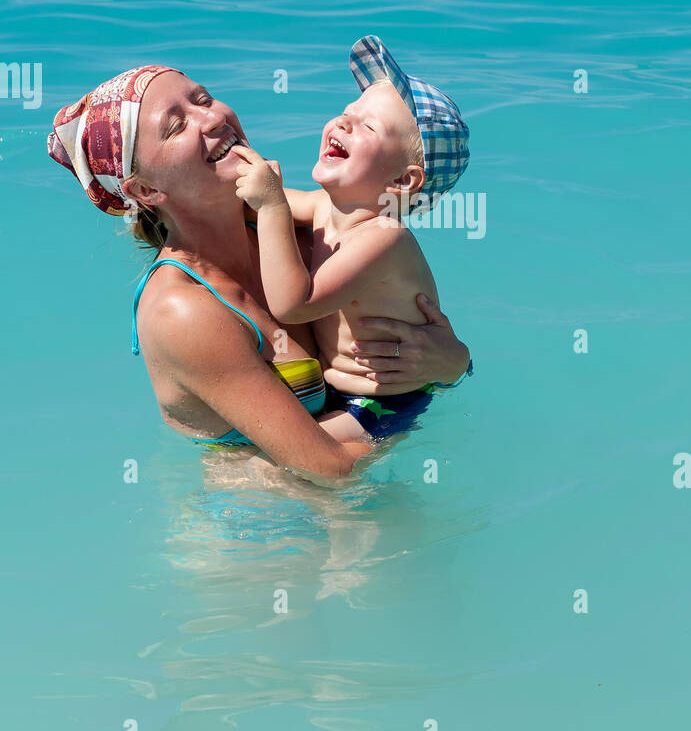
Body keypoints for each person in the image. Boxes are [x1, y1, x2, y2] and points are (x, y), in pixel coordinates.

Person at [46, 66, 472, 481]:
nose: (212, 117)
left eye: (204, 99)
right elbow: (330, 469)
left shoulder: (298, 234)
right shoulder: (184, 311)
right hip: (259, 531)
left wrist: (452, 362)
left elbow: (407, 323)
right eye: (177, 126)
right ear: (144, 191)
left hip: (347, 499)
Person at [234, 35, 471, 444]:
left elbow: (294, 304)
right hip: (337, 390)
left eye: (368, 126)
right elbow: (248, 200)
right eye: (347, 112)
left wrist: (272, 207)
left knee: (273, 469)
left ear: (402, 181)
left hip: (383, 401)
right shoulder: (326, 205)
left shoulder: (385, 237)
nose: (343, 122)